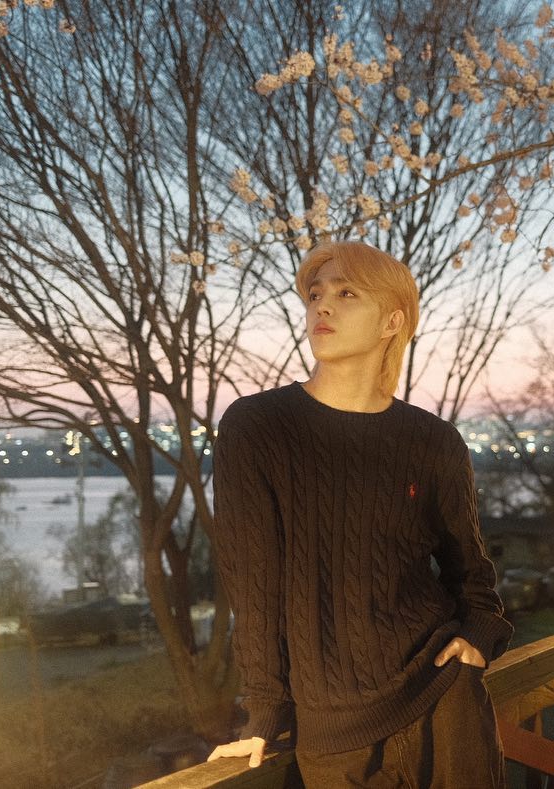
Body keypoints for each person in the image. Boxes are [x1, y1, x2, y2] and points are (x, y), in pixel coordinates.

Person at [207, 240, 512, 787]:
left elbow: (471, 572)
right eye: (315, 294)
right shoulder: (256, 428)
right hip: (332, 728)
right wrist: (263, 712)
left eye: (347, 293)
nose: (322, 305)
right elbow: (253, 584)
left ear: (392, 321)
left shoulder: (433, 440)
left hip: (444, 696)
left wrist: (479, 633)